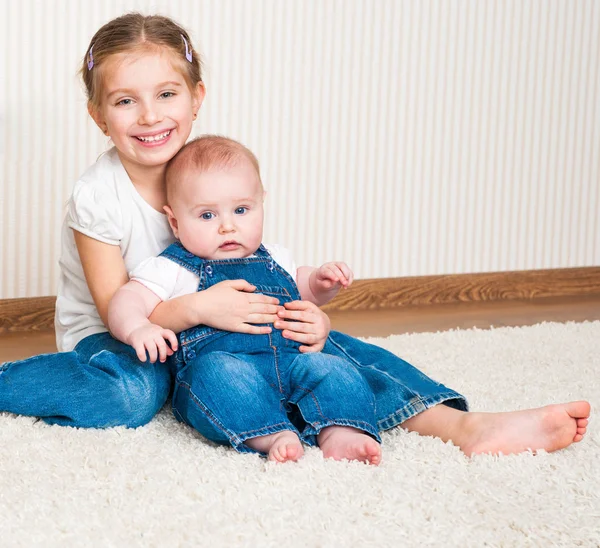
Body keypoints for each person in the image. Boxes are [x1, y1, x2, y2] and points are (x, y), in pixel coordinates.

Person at [0, 13, 590, 460]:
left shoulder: (212, 172)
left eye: (167, 94)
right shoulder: (98, 195)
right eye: (126, 102)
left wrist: (308, 305)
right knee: (132, 395)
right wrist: (196, 308)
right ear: (100, 117)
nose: (150, 116)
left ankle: (464, 426)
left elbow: (264, 270)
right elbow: (113, 309)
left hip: (219, 329)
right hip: (126, 336)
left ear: (196, 98)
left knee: (322, 349)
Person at [109, 135, 384, 464]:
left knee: (334, 369)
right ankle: (270, 433)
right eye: (207, 216)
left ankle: (340, 432)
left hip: (293, 363)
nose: (228, 227)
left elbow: (303, 290)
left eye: (241, 210)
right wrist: (137, 327)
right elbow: (127, 299)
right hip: (228, 368)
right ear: (175, 222)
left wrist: (322, 282)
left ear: (261, 203)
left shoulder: (276, 257)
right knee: (213, 374)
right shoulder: (173, 267)